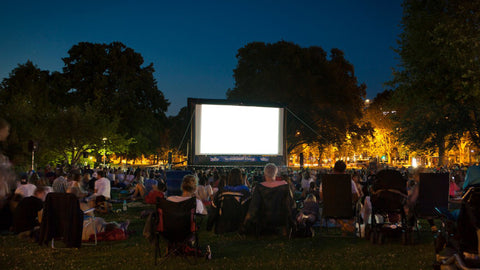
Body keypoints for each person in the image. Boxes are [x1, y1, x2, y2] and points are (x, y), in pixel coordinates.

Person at [243, 163, 296, 236]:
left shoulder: (259, 187)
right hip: (281, 220)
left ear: (264, 174)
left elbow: (254, 207)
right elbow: (291, 204)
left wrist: (246, 222)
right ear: (276, 173)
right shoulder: (284, 185)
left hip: (264, 221)